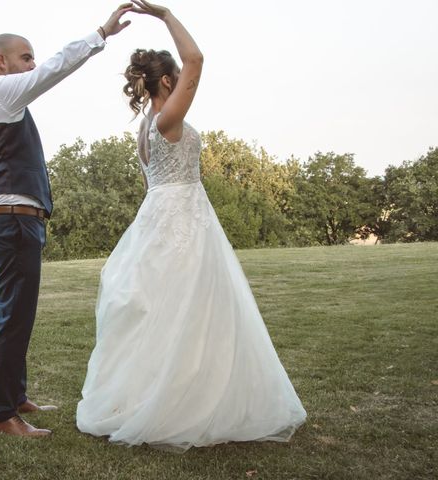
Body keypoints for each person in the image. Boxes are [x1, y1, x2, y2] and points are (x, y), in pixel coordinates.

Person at [76, 0, 307, 451]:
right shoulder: (168, 118)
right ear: (167, 80)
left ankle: (153, 392)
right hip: (184, 216)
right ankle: (180, 403)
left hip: (156, 217)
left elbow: (150, 183)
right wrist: (164, 15)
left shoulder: (144, 130)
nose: (184, 81)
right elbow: (197, 59)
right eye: (176, 78)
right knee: (189, 307)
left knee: (164, 309)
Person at [0, 4, 133, 437]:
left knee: (17, 313)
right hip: (12, 219)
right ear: (3, 62)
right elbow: (56, 69)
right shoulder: (0, 91)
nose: (32, 64)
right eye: (25, 57)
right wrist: (101, 34)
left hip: (8, 218)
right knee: (12, 314)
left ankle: (14, 397)